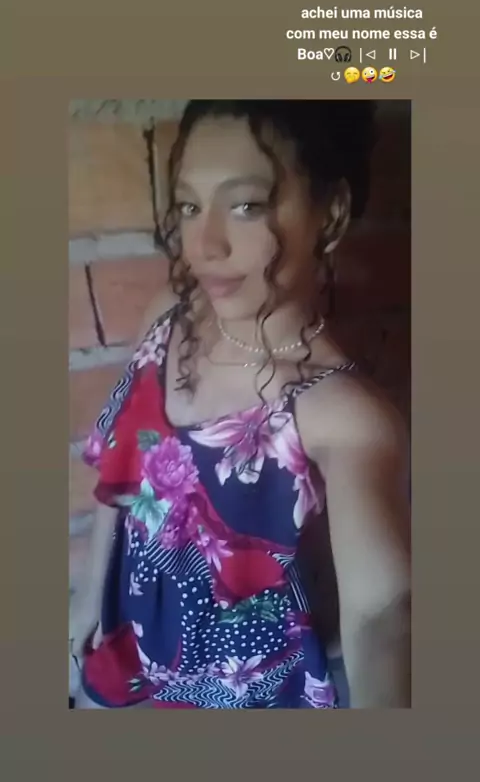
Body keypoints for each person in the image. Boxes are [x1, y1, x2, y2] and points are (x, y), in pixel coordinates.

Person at [69, 99, 411, 709]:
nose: (204, 245)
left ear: (330, 213)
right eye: (189, 206)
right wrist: (90, 594)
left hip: (237, 691)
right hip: (128, 638)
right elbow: (123, 473)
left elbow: (380, 614)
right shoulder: (169, 320)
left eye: (247, 205)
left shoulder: (339, 415)